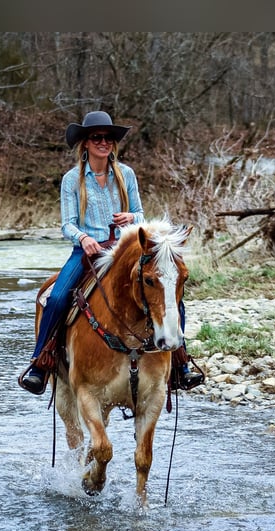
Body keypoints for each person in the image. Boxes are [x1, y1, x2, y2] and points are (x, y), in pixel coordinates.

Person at [19, 110, 203, 395]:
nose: (103, 142)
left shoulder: (126, 174)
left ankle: (180, 364)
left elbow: (140, 213)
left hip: (123, 250)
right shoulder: (72, 179)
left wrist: (132, 218)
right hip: (88, 252)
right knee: (55, 297)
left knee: (169, 293)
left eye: (107, 138)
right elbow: (67, 224)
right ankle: (40, 363)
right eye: (96, 138)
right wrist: (83, 238)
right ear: (86, 143)